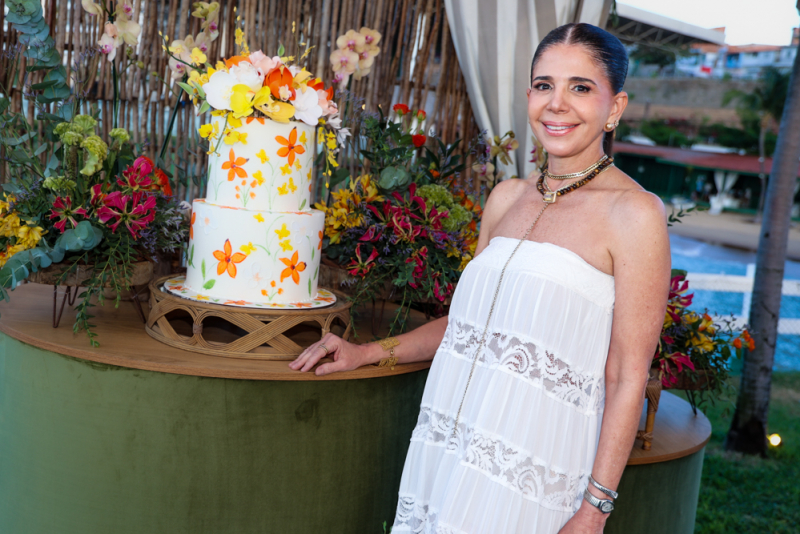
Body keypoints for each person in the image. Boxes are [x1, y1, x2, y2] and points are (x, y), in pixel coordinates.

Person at [289, 22, 670, 534]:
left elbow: (628, 373)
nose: (557, 103)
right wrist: (366, 352)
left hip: (530, 468)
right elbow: (468, 325)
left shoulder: (635, 214)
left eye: (580, 87)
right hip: (451, 447)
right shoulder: (507, 198)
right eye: (544, 85)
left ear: (615, 107)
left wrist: (594, 510)